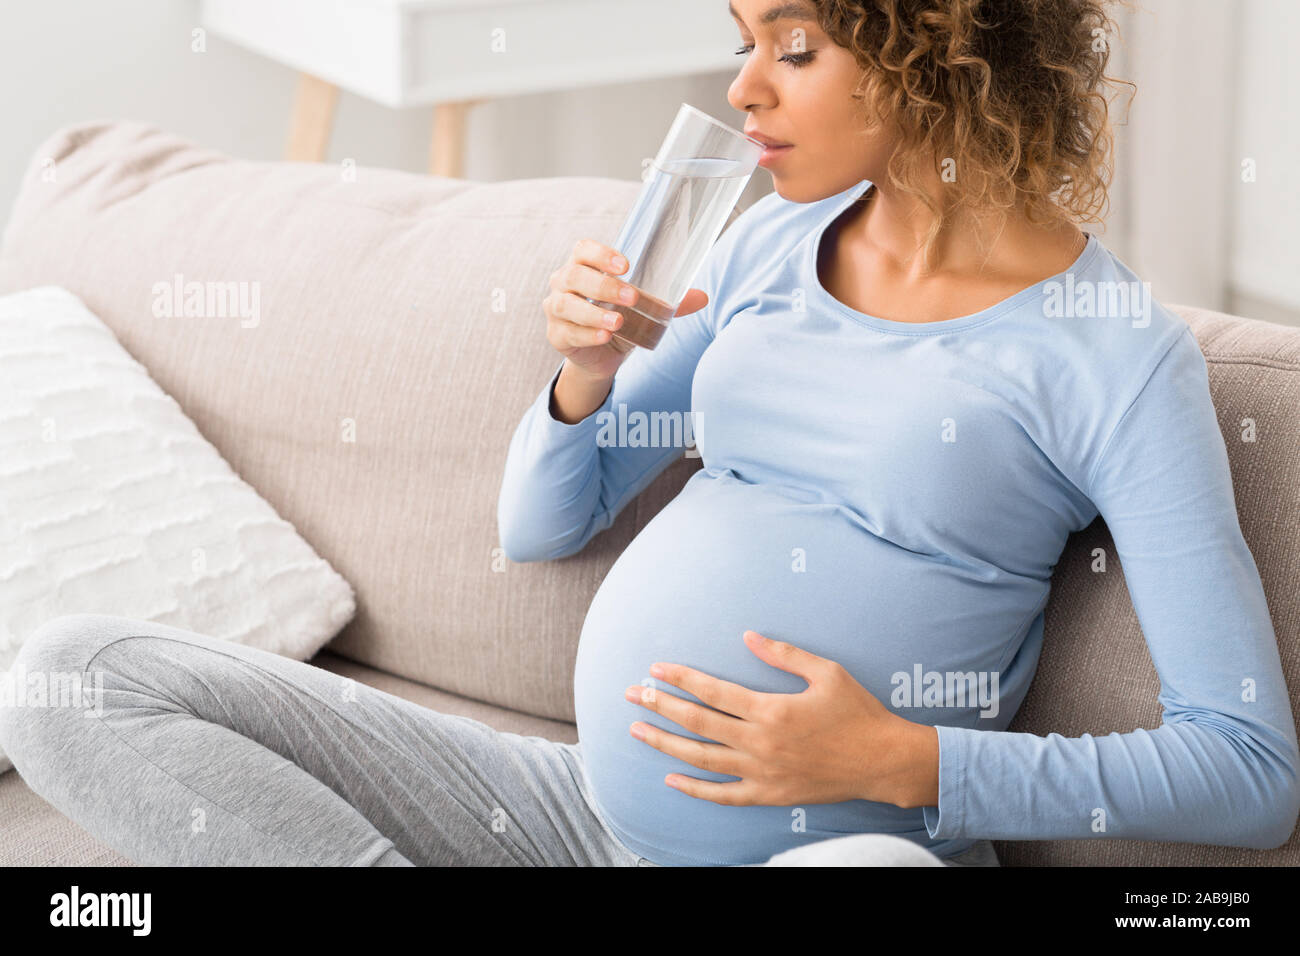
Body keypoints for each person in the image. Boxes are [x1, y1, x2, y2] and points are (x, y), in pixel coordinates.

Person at [2, 0, 1294, 867]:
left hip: (832, 853)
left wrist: (915, 763)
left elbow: (1248, 767)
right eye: (743, 39)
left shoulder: (1114, 354)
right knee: (76, 677)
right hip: (573, 817)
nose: (741, 89)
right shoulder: (768, 248)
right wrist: (580, 378)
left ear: (937, 52)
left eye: (790, 48)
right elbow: (541, 523)